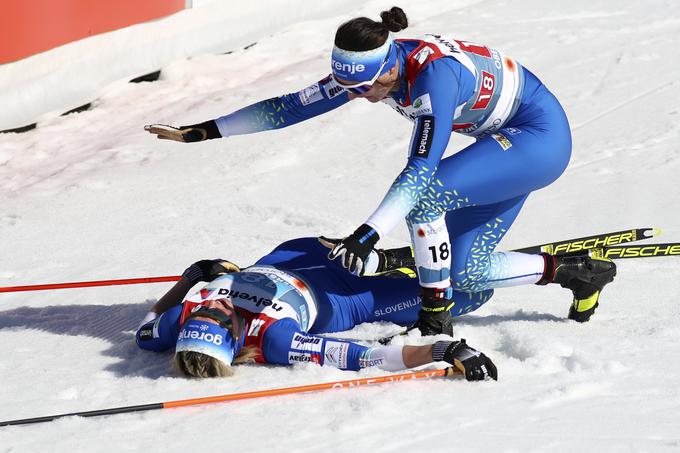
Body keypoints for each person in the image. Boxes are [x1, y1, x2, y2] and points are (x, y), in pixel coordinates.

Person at [145, 7, 616, 336]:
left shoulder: (435, 78)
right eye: (347, 87)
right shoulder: (367, 69)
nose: (357, 95)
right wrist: (205, 131)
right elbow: (291, 107)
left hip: (537, 140)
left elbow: (420, 168)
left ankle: (436, 315)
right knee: (467, 270)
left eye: (366, 87)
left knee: (427, 199)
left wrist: (368, 235)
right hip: (502, 143)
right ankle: (576, 274)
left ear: (389, 68)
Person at [136, 237, 497, 381]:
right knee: (470, 292)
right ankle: (545, 269)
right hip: (344, 295)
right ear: (233, 336)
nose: (212, 303)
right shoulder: (275, 339)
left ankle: (397, 259)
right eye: (216, 315)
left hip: (289, 255)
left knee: (355, 245)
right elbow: (364, 358)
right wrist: (443, 349)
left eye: (199, 312)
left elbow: (145, 327)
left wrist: (191, 277)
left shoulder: (177, 325)